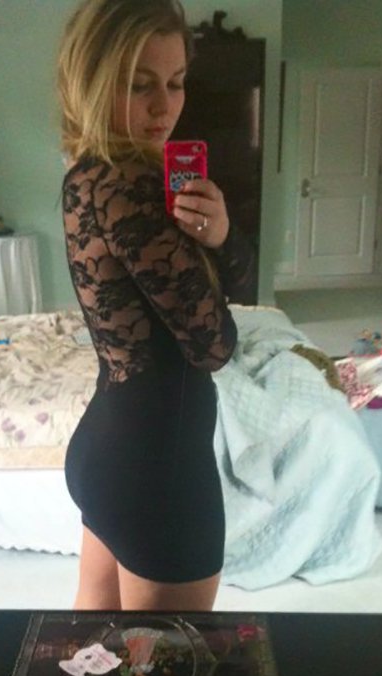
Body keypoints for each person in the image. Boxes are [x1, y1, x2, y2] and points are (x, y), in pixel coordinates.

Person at [58, 0, 247, 611]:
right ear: (95, 81)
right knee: (164, 668)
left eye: (176, 82)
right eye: (140, 85)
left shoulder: (85, 175)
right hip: (158, 472)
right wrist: (226, 246)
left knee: (90, 650)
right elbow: (214, 345)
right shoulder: (134, 189)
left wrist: (218, 236)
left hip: (109, 448)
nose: (164, 107)